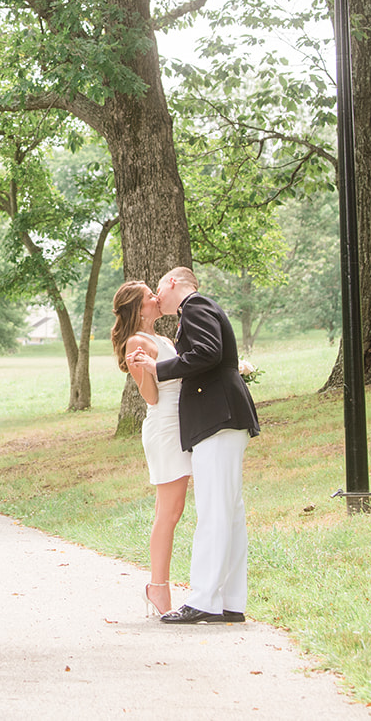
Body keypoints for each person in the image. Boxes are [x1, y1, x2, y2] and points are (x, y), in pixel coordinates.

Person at [127, 266, 259, 624]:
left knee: (216, 513)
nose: (158, 296)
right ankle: (230, 602)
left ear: (172, 283)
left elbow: (208, 353)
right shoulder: (197, 309)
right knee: (229, 514)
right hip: (222, 419)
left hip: (217, 420)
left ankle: (204, 600)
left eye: (159, 288)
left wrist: (160, 368)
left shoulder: (196, 305)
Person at [109, 280, 190, 618]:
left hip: (179, 425)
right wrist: (141, 369)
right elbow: (151, 396)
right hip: (164, 428)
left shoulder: (164, 339)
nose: (156, 299)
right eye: (148, 297)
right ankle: (158, 587)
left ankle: (158, 586)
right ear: (138, 308)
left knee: (170, 511)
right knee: (169, 513)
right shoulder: (135, 343)